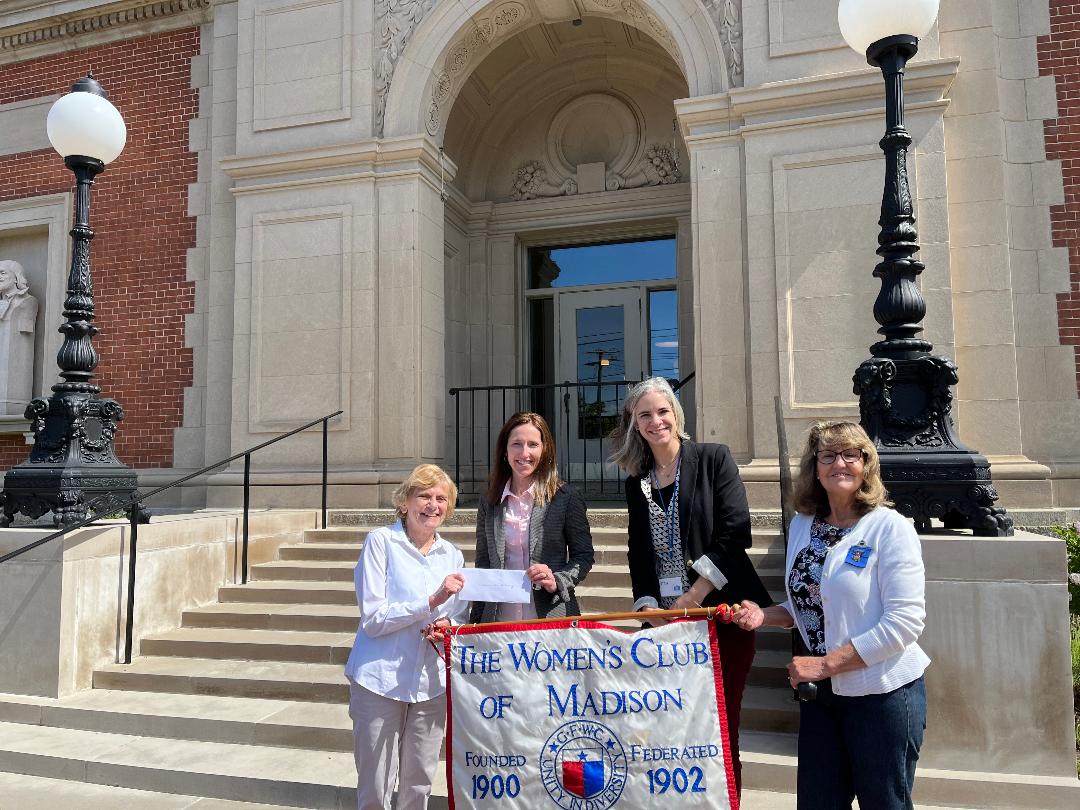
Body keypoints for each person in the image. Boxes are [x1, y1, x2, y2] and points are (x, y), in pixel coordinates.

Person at [734, 420, 930, 810]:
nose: (839, 463)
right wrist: (765, 615)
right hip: (822, 699)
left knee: (884, 803)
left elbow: (904, 623)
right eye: (827, 455)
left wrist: (824, 664)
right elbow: (811, 603)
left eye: (849, 454)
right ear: (815, 467)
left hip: (883, 694)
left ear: (865, 464)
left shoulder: (890, 528)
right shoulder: (804, 525)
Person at [609, 376, 773, 796]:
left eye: (662, 411)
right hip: (666, 625)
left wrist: (694, 595)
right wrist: (646, 608)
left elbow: (736, 532)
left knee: (719, 721)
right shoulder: (637, 481)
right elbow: (637, 553)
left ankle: (727, 800)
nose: (655, 421)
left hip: (719, 615)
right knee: (673, 726)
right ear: (634, 424)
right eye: (644, 414)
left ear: (676, 415)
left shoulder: (712, 459)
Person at [343, 464, 468, 810]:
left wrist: (446, 625)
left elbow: (459, 614)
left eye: (441, 498)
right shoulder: (381, 542)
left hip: (430, 683)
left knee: (419, 783)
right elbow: (373, 618)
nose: (433, 505)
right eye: (424, 496)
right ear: (405, 502)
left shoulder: (453, 555)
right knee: (375, 785)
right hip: (379, 680)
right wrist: (430, 603)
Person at [470, 412, 594, 623]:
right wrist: (475, 623)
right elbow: (483, 564)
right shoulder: (489, 501)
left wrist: (557, 580)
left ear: (544, 450)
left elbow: (583, 556)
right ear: (505, 451)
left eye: (533, 444)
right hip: (499, 621)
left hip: (551, 619)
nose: (524, 452)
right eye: (517, 444)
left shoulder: (566, 498)